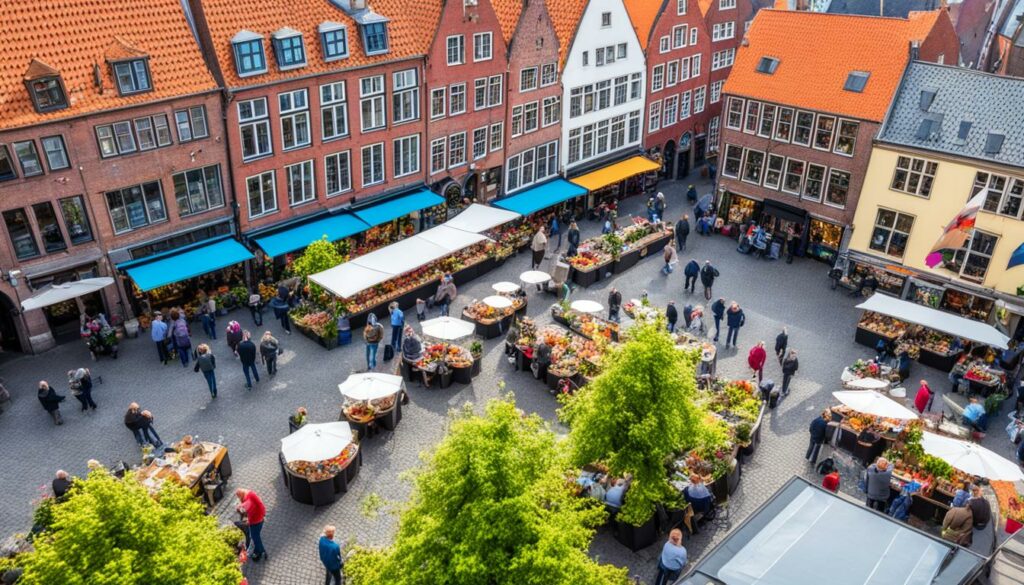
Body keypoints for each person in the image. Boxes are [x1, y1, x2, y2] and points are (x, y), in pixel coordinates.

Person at [236, 488, 267, 561]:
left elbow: (245, 510)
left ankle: (262, 551)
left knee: (254, 537)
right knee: (256, 537)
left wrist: (239, 507)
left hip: (255, 522)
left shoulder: (248, 502)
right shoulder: (251, 494)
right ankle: (258, 552)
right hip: (260, 519)